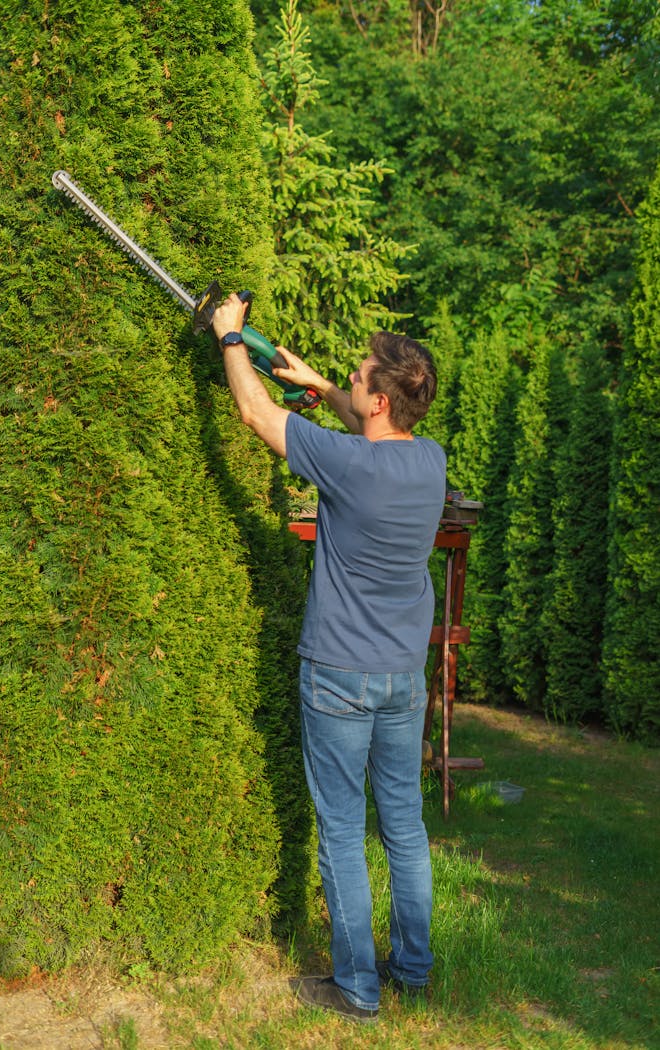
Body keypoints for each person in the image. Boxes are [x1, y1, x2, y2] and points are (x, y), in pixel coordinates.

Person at [212, 295, 446, 1025]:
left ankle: (355, 989)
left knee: (343, 828)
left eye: (358, 376)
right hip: (404, 676)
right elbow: (371, 434)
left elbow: (254, 415)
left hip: (340, 674)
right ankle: (412, 968)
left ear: (379, 400)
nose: (351, 377)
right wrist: (321, 387)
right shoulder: (427, 461)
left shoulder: (346, 463)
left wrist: (228, 338)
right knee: (402, 825)